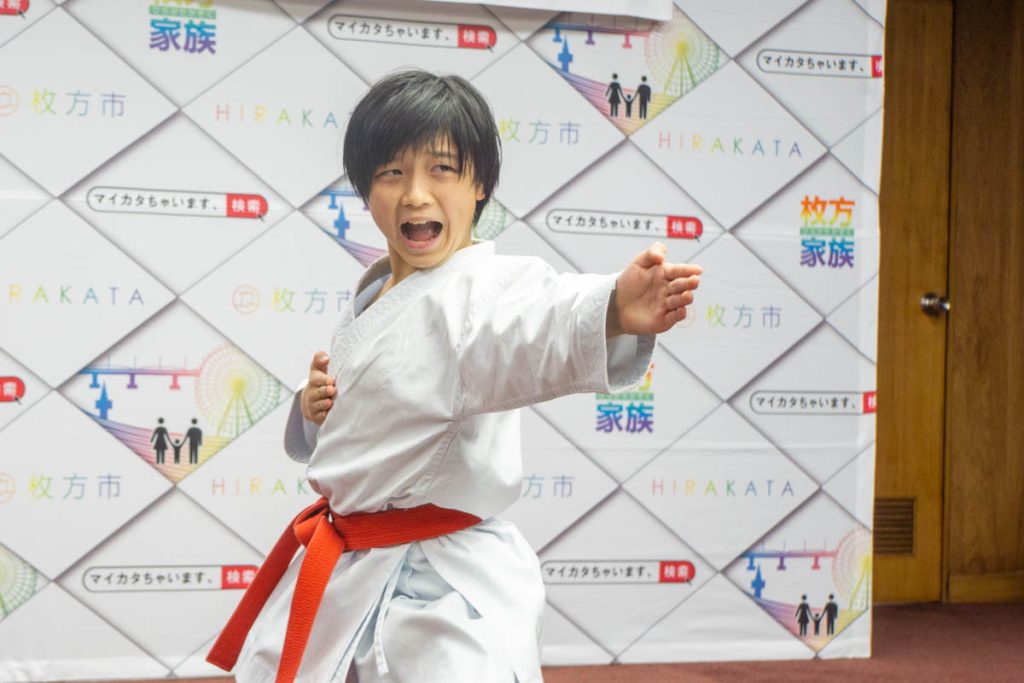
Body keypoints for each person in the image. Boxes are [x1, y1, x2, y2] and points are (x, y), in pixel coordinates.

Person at [207, 70, 702, 683]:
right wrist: (317, 406)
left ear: (479, 184)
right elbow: (369, 418)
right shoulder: (375, 294)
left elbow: (532, 326)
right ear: (365, 189)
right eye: (392, 172)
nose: (415, 194)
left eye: (441, 169)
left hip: (441, 585)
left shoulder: (486, 293)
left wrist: (610, 310)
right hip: (349, 566)